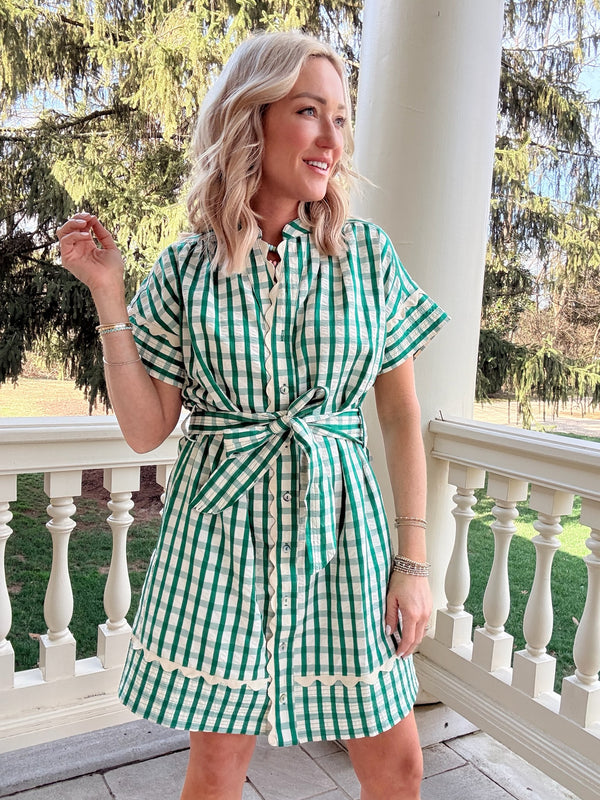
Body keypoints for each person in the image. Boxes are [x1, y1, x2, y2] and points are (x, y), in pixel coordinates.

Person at [57, 30, 448, 800]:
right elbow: (146, 429)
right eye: (309, 112)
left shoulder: (367, 256)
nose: (332, 137)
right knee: (218, 765)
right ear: (252, 118)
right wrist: (109, 294)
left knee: (398, 764)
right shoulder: (186, 269)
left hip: (342, 531)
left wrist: (412, 562)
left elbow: (401, 415)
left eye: (341, 117)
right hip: (223, 538)